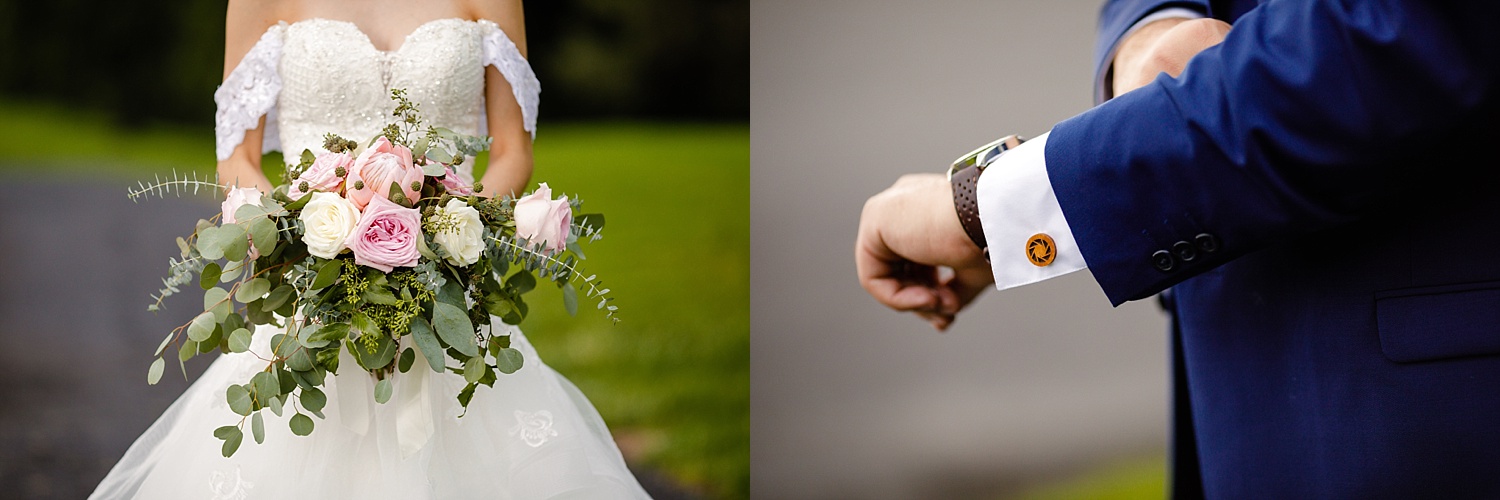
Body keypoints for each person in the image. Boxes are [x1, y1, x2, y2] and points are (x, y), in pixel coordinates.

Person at [856, 0, 1500, 497]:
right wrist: (1150, 28)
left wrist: (988, 209)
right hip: (1246, 398)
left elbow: (1389, 37)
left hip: (1422, 422)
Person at [90, 1, 651, 498]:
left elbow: (513, 151)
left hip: (448, 293)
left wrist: (449, 230)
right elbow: (236, 161)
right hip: (311, 297)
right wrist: (299, 238)